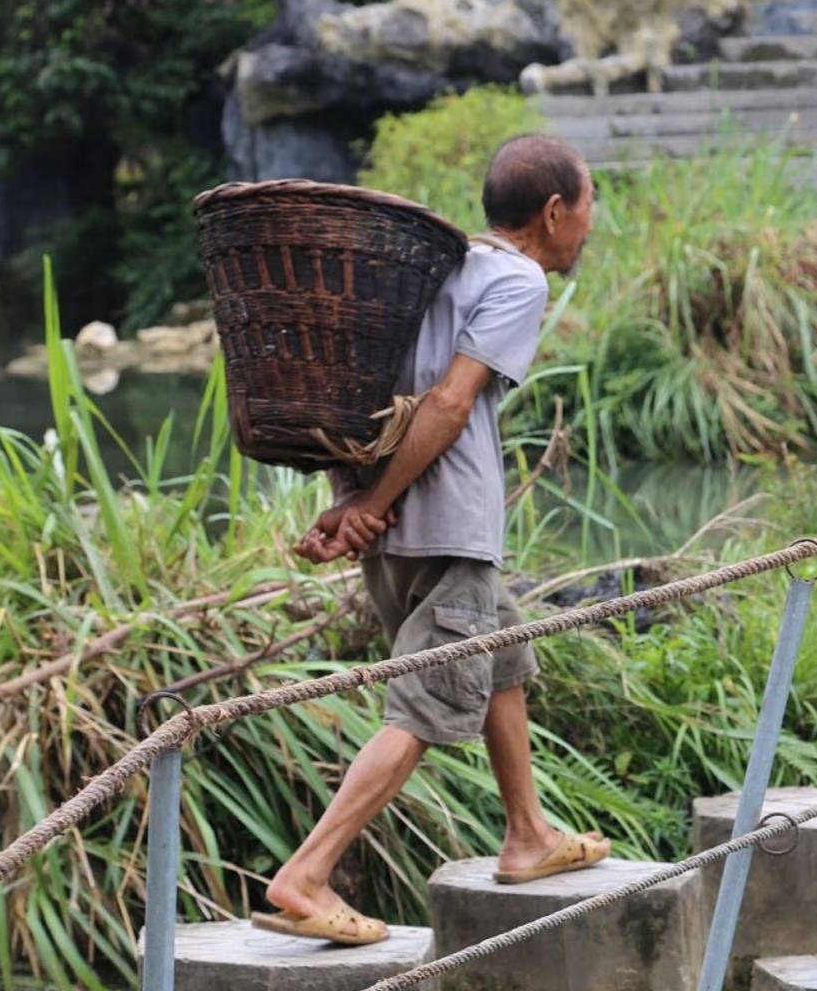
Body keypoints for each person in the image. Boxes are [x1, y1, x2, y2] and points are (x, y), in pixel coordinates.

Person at [252, 135, 609, 946]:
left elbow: (358, 395)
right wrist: (372, 499)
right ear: (553, 212)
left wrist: (352, 505)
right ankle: (308, 874)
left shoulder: (429, 267)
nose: (588, 228)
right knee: (425, 702)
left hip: (397, 523)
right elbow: (447, 406)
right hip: (446, 519)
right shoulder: (517, 278)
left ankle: (528, 834)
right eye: (587, 210)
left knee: (502, 647)